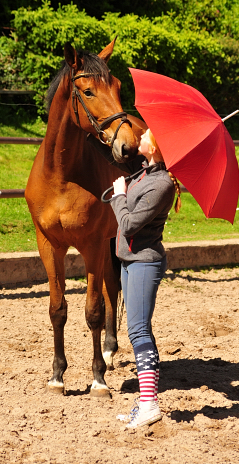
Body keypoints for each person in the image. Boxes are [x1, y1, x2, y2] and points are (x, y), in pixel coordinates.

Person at [95, 128, 181, 428]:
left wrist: (119, 196)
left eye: (146, 133)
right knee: (137, 331)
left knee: (139, 332)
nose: (141, 134)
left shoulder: (161, 185)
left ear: (155, 146)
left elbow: (129, 225)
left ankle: (150, 404)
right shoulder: (145, 174)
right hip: (129, 261)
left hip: (145, 263)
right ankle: (146, 401)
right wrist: (124, 188)